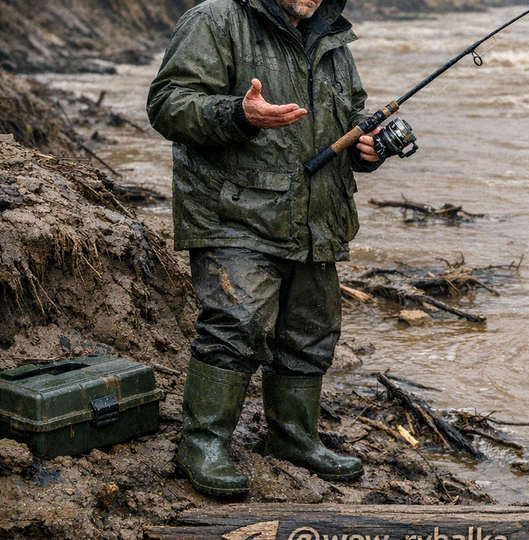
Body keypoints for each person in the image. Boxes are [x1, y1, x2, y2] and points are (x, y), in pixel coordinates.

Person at [147, 0, 382, 497]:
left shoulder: (333, 37)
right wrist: (239, 113)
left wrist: (369, 146)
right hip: (235, 213)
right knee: (237, 326)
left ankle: (293, 439)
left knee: (311, 333)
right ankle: (202, 444)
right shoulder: (216, 19)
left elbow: (349, 117)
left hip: (318, 219)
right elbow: (168, 103)